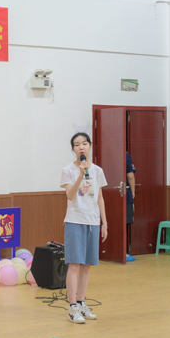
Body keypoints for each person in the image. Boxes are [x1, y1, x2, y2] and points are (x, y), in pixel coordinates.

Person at [60, 132, 108, 324]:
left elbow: (100, 198)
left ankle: (81, 303)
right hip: (75, 220)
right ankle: (72, 308)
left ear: (90, 146)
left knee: (87, 265)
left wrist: (104, 223)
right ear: (73, 149)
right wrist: (81, 174)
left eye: (84, 143)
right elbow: (70, 196)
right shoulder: (68, 170)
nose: (81, 147)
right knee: (74, 264)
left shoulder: (97, 170)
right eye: (77, 144)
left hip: (93, 221)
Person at [126, 152, 136, 262]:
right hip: (125, 194)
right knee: (124, 224)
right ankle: (123, 253)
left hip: (108, 195)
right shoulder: (126, 155)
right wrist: (133, 191)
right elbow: (130, 176)